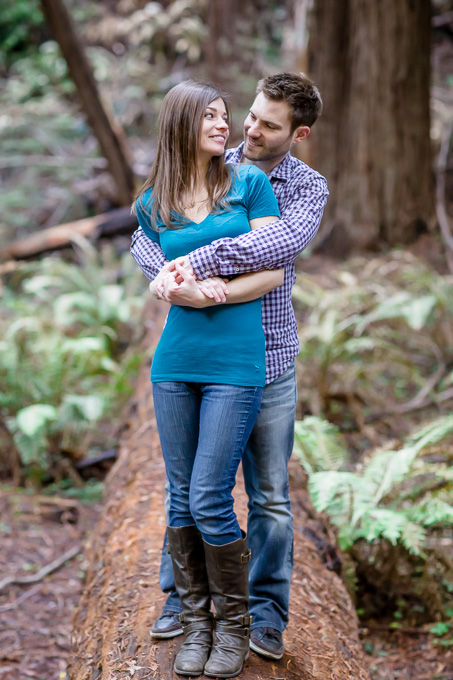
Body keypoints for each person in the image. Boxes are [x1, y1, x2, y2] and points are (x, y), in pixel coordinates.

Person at [131, 72, 329, 661]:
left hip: (266, 356)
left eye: (268, 125)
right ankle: (183, 599)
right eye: (250, 116)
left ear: (300, 133)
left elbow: (277, 249)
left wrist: (192, 267)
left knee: (268, 496)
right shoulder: (216, 158)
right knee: (186, 487)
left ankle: (264, 615)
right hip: (199, 348)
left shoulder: (304, 186)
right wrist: (163, 279)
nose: (249, 129)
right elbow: (148, 235)